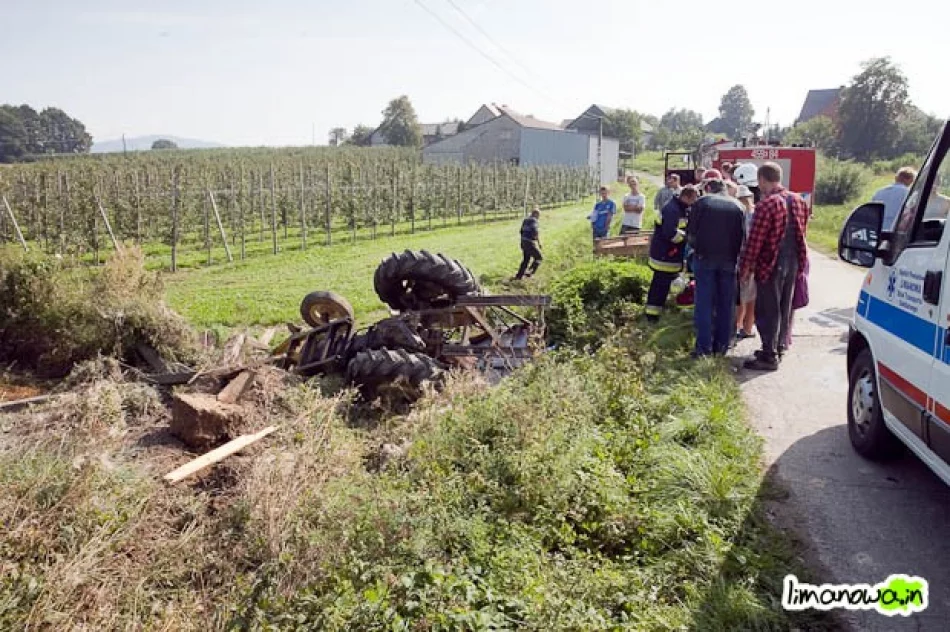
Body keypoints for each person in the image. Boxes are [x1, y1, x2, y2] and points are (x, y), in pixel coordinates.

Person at [738, 162, 809, 371]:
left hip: (771, 263)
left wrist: (746, 267)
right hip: (793, 261)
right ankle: (778, 346)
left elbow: (755, 241)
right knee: (785, 306)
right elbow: (803, 233)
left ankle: (768, 356)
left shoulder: (767, 204)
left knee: (768, 309)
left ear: (761, 180)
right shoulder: (798, 200)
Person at [686, 171, 746, 356]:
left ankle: (703, 348)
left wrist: (696, 251)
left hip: (705, 258)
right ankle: (721, 347)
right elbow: (742, 237)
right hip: (729, 260)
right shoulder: (738, 206)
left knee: (704, 303)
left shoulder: (702, 203)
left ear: (709, 188)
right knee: (725, 304)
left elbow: (691, 234)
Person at [645, 186, 699, 321]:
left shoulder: (681, 208)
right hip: (665, 255)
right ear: (686, 197)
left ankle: (661, 308)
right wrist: (687, 239)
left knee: (668, 283)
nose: (695, 202)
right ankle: (652, 315)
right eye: (694, 199)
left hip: (671, 255)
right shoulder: (672, 209)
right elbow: (670, 233)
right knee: (660, 285)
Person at [735, 185, 756, 339]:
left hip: (742, 260)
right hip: (754, 261)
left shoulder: (739, 215)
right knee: (751, 297)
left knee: (741, 297)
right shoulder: (756, 214)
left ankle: (738, 326)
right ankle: (747, 328)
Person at [512, 207, 542, 280]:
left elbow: (521, 231)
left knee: (526, 259)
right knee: (539, 258)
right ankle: (529, 273)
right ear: (535, 214)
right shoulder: (534, 221)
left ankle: (519, 276)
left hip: (523, 242)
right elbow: (535, 231)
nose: (539, 217)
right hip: (529, 242)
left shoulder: (525, 220)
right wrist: (537, 241)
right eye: (538, 215)